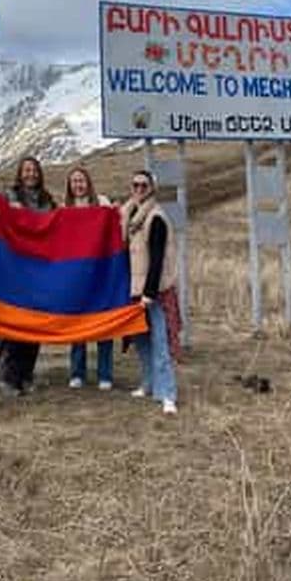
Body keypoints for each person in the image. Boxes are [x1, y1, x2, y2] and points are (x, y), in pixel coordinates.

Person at [120, 169, 180, 415]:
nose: (139, 189)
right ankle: (148, 382)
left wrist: (149, 293)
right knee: (142, 341)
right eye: (135, 185)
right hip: (135, 290)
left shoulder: (155, 217)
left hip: (151, 292)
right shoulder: (131, 217)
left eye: (144, 185)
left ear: (152, 188)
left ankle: (167, 393)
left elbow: (157, 259)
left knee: (160, 342)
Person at [0, 156, 57, 395]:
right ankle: (9, 377)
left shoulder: (48, 200)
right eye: (26, 170)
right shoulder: (10, 196)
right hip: (16, 268)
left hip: (39, 269)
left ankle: (26, 374)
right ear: (20, 173)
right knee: (15, 323)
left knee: (35, 324)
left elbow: (58, 225)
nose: (30, 174)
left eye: (34, 170)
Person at [64, 166, 114, 391]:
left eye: (81, 180)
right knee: (78, 324)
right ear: (70, 185)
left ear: (88, 182)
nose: (78, 185)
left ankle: (105, 374)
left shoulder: (101, 202)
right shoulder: (65, 208)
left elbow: (115, 226)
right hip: (76, 275)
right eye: (74, 181)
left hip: (101, 272)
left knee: (104, 322)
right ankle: (77, 372)